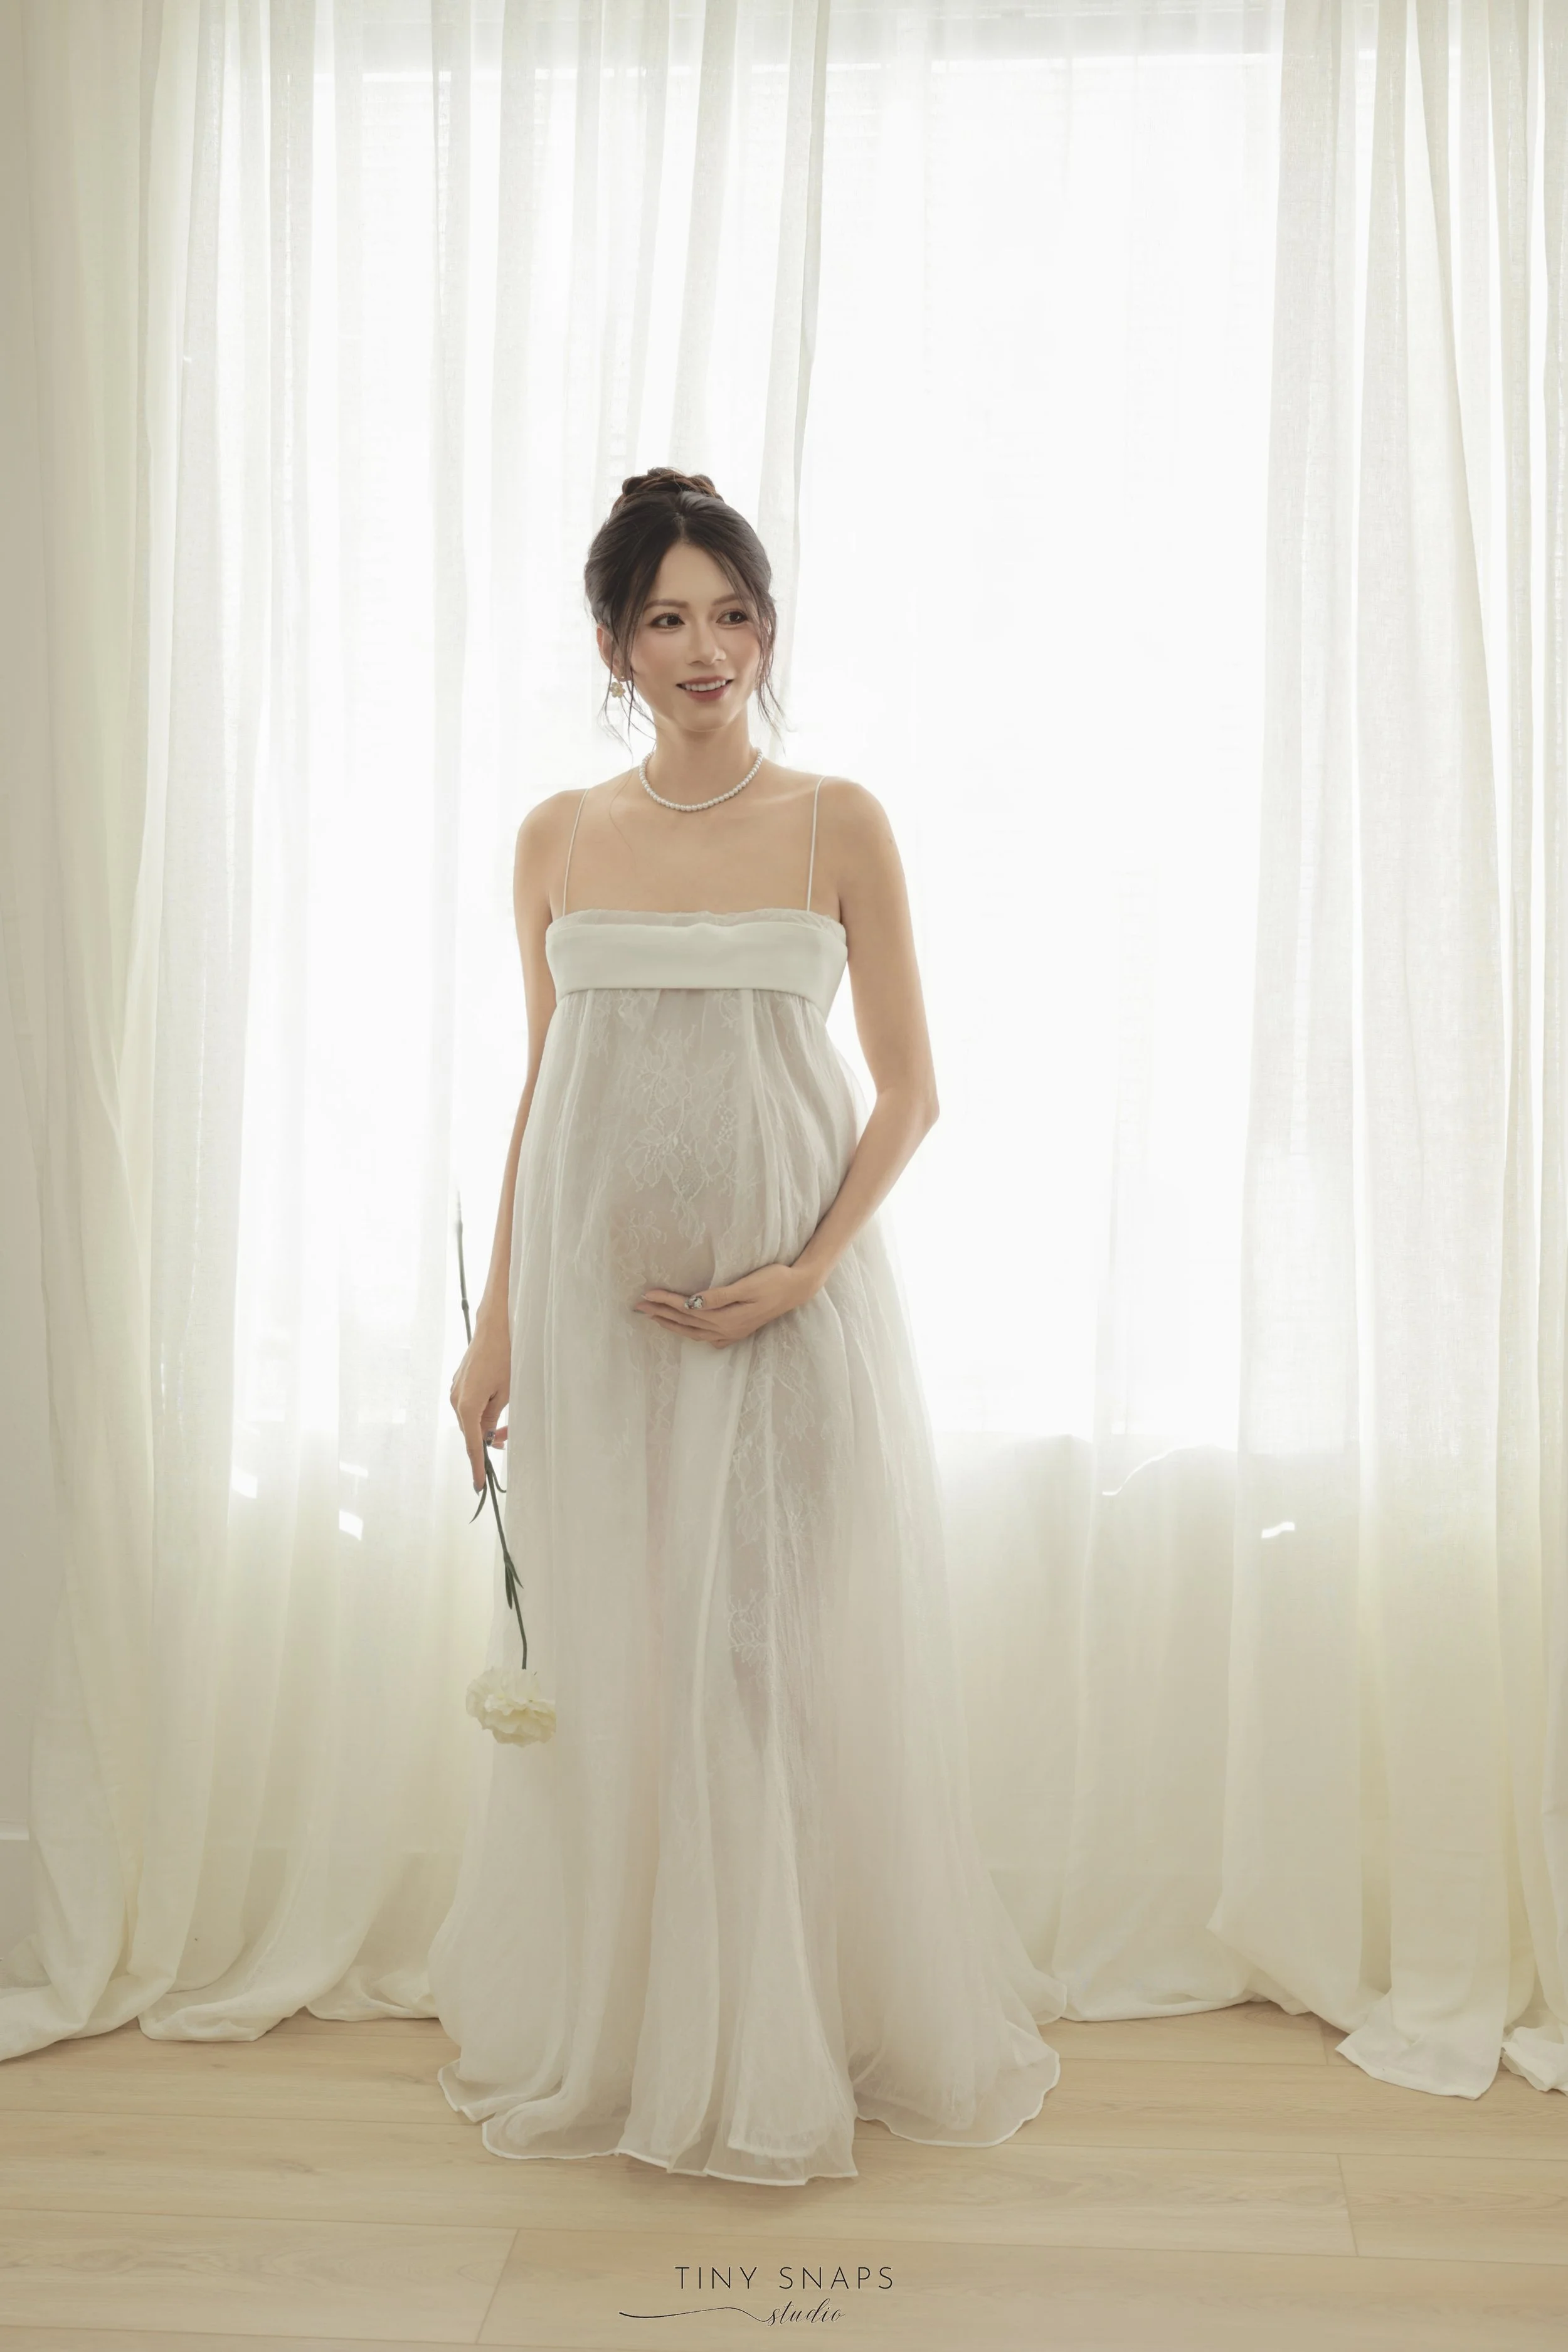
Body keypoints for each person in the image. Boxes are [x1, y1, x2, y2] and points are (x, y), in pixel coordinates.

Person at [431, 466, 1061, 2186]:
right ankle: (650, 2037)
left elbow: (913, 1092)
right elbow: (546, 1091)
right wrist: (498, 1335)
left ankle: (771, 2036)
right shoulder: (558, 837)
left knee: (765, 1675)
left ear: (767, 626)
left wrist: (802, 1267)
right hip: (600, 1332)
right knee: (634, 1670)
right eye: (664, 616)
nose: (704, 646)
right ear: (614, 643)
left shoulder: (835, 819)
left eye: (731, 611)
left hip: (789, 1328)